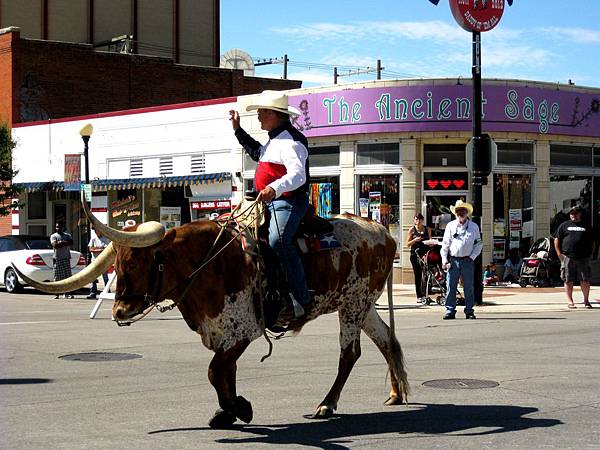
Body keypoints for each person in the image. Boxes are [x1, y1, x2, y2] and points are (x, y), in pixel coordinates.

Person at [229, 90, 310, 320]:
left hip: (289, 201)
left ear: (275, 114)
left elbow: (298, 175)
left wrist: (275, 188)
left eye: (262, 112)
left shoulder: (292, 141)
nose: (259, 116)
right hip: (269, 203)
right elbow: (257, 152)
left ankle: (301, 299)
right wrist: (237, 129)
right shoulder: (275, 139)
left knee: (279, 240)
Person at [440, 199, 483, 320]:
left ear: (467, 212)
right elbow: (445, 245)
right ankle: (450, 310)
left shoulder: (474, 227)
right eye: (458, 211)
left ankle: (469, 311)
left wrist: (472, 257)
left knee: (468, 287)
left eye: (463, 210)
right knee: (450, 286)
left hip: (467, 261)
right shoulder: (450, 226)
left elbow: (479, 244)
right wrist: (444, 260)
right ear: (455, 213)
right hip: (453, 260)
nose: (460, 213)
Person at [553, 205, 595, 309]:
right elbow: (556, 240)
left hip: (583, 257)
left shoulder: (586, 226)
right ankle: (570, 301)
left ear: (580, 214)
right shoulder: (564, 225)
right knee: (568, 279)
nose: (573, 215)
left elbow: (593, 241)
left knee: (585, 279)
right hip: (568, 256)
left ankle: (586, 301)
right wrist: (559, 254)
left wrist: (591, 254)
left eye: (576, 213)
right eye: (572, 213)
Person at [405, 212, 432, 303]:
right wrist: (414, 240)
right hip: (415, 255)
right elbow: (407, 244)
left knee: (427, 274)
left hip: (425, 254)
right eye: (416, 219)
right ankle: (419, 295)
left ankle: (426, 293)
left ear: (422, 220)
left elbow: (430, 239)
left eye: (419, 219)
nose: (418, 221)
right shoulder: (412, 230)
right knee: (418, 274)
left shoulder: (427, 229)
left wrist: (431, 243)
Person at [50, 222, 74, 299]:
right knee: (57, 277)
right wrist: (64, 243)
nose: (58, 228)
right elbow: (55, 245)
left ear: (63, 227)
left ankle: (67, 293)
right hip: (57, 258)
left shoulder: (67, 235)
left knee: (67, 277)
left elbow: (71, 242)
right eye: (57, 227)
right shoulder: (53, 236)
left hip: (66, 258)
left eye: (59, 227)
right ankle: (56, 293)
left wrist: (61, 242)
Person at [86, 227, 111, 299]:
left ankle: (107, 291)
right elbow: (91, 249)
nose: (96, 232)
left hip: (103, 261)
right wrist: (99, 249)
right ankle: (93, 292)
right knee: (93, 277)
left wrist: (96, 249)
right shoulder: (93, 239)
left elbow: (106, 249)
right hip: (94, 261)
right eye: (95, 231)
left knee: (105, 277)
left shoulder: (105, 239)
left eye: (97, 231)